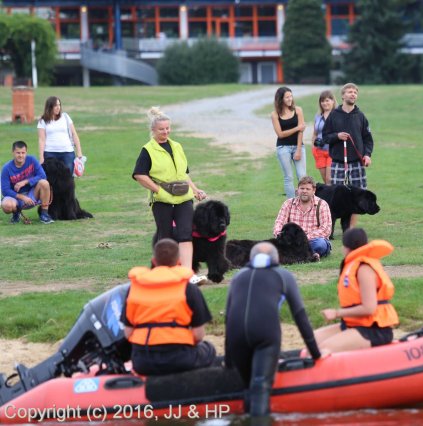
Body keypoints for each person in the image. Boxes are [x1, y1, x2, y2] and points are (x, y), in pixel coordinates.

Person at [224, 242, 321, 417]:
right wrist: (316, 354)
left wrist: (228, 359)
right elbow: (300, 316)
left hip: (236, 336)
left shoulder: (238, 276)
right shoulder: (283, 275)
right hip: (266, 336)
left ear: (251, 259)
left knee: (247, 387)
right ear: (276, 259)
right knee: (260, 385)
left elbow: (228, 317)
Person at [121, 238, 217, 375]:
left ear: (154, 261)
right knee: (209, 349)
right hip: (179, 357)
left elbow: (128, 333)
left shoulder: (135, 288)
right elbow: (198, 334)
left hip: (143, 360)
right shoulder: (189, 289)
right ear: (179, 262)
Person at [133, 107, 207, 269]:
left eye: (167, 128)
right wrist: (158, 190)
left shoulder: (177, 146)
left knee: (185, 235)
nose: (166, 132)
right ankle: (164, 271)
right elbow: (139, 175)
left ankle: (186, 273)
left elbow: (184, 174)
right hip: (162, 200)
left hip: (184, 197)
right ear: (153, 130)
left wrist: (195, 190)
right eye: (161, 129)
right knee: (165, 236)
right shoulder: (148, 150)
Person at [313, 228, 399, 354]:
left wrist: (337, 313)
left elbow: (369, 308)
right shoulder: (354, 265)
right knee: (312, 340)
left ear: (345, 248)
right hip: (356, 324)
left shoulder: (363, 268)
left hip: (375, 329)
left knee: (323, 349)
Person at [321, 82, 373, 228]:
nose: (352, 94)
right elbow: (325, 137)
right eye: (349, 92)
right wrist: (337, 136)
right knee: (336, 196)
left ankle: (350, 228)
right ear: (343, 96)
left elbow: (368, 139)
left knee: (359, 195)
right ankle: (329, 228)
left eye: (355, 92)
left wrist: (367, 155)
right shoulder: (334, 115)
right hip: (338, 162)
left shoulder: (361, 116)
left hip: (357, 162)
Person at [273, 175, 332, 260]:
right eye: (302, 188)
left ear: (314, 190)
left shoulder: (322, 204)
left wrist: (303, 238)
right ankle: (309, 255)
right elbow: (279, 223)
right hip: (291, 241)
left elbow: (326, 229)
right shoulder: (288, 203)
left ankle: (301, 254)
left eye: (308, 189)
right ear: (297, 190)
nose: (304, 191)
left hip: (312, 240)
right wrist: (280, 236)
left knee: (320, 244)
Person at [1, 141, 53, 224]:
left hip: (32, 194)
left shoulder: (32, 160)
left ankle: (44, 214)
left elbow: (42, 175)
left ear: (26, 152)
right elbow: (5, 190)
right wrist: (23, 197)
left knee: (44, 183)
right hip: (15, 197)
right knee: (6, 205)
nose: (21, 155)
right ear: (13, 152)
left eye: (23, 153)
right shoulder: (6, 168)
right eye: (18, 153)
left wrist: (25, 182)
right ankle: (16, 214)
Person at [271, 86, 306, 199]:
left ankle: (304, 201)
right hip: (283, 147)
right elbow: (280, 134)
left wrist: (299, 150)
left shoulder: (298, 110)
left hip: (298, 146)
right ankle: (291, 204)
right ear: (280, 99)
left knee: (302, 176)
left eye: (291, 96)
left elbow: (301, 132)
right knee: (288, 177)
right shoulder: (275, 114)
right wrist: (297, 128)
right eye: (287, 97)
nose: (290, 99)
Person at [37, 96, 84, 176]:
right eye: (55, 105)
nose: (58, 107)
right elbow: (42, 140)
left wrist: (79, 151)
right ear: (49, 107)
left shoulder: (65, 117)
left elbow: (74, 134)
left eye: (59, 105)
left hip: (67, 153)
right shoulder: (43, 121)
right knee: (51, 178)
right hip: (50, 153)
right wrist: (41, 157)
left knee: (67, 179)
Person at [311, 90, 336, 184]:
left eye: (327, 100)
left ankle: (334, 198)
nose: (325, 103)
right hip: (319, 151)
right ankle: (328, 198)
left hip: (332, 151)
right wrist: (313, 148)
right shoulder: (318, 116)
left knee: (330, 179)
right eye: (322, 101)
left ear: (333, 101)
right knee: (325, 181)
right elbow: (315, 133)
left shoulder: (337, 115)